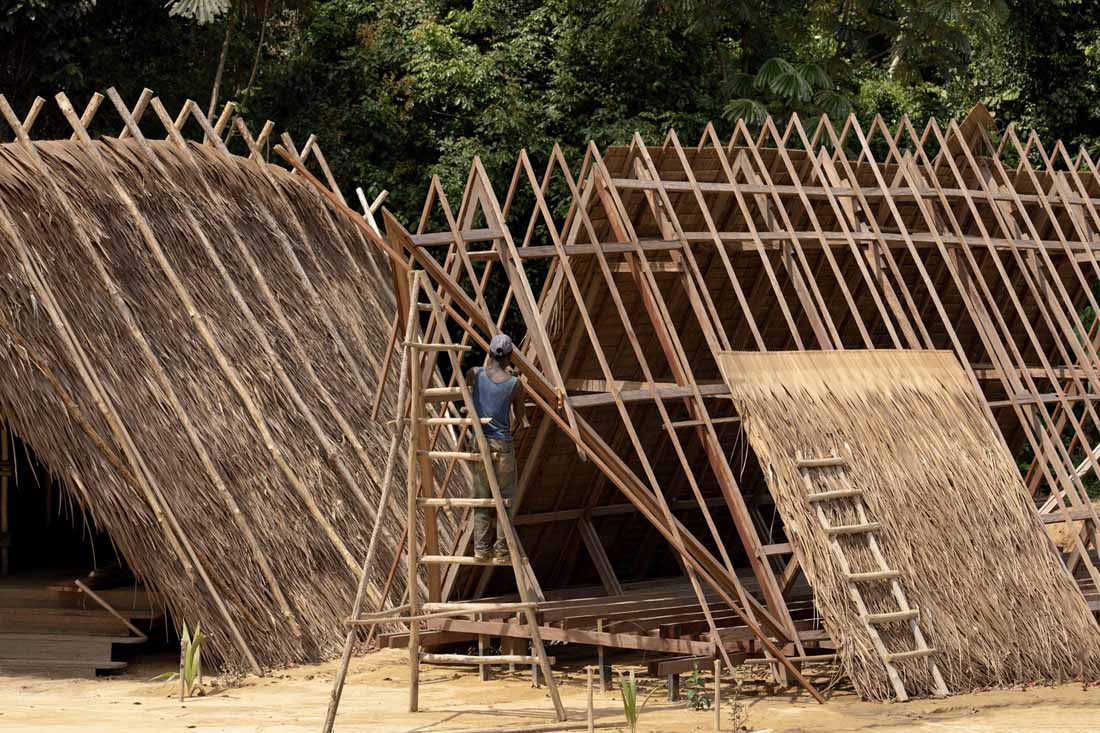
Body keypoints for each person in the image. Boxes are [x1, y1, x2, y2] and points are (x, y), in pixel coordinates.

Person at [466, 333, 525, 562]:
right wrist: (510, 434)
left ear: (489, 353)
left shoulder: (474, 373)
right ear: (509, 357)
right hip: (501, 443)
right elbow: (519, 417)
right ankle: (502, 551)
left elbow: (468, 391)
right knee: (505, 499)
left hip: (479, 442)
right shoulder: (514, 384)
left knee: (481, 497)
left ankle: (481, 549)